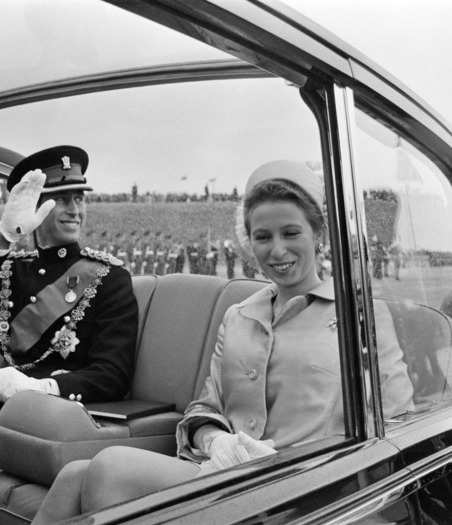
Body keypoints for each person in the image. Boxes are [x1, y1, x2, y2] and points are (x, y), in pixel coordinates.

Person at [32, 160, 413, 524]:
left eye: (291, 233)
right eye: (262, 237)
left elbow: (397, 421)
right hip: (229, 475)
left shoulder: (360, 315)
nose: (276, 250)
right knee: (74, 476)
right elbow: (204, 406)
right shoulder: (239, 315)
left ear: (319, 235)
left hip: (306, 488)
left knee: (112, 467)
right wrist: (215, 440)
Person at [0, 145, 138, 479]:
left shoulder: (109, 278)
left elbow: (112, 375)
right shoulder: (14, 271)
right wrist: (3, 236)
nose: (75, 209)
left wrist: (36, 388)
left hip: (42, 419)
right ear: (35, 207)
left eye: (79, 198)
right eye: (62, 199)